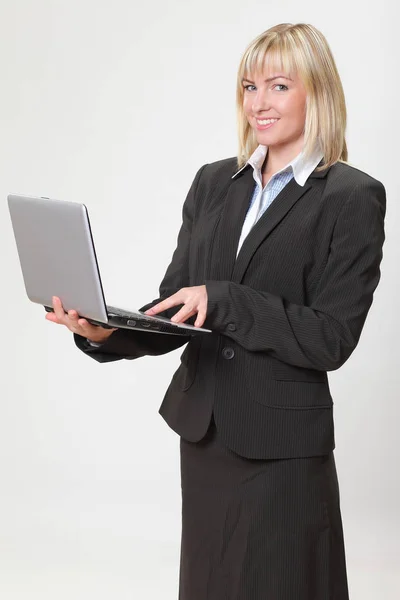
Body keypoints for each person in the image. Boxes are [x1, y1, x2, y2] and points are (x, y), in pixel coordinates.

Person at [47, 22, 386, 600]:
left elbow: (332, 337)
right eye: (249, 87)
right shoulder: (213, 184)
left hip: (281, 443)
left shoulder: (350, 197)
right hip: (205, 433)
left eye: (278, 86)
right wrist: (105, 331)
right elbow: (178, 303)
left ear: (318, 92)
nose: (260, 103)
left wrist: (226, 299)